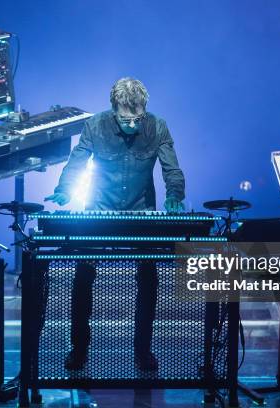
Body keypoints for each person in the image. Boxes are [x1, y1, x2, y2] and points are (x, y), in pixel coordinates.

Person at [44, 77, 185, 371]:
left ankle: (143, 351)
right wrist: (65, 189)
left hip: (140, 212)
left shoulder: (157, 125)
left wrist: (175, 196)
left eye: (137, 119)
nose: (133, 125)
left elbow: (172, 168)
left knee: (149, 278)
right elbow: (77, 161)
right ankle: (79, 349)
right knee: (83, 276)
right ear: (113, 109)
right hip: (99, 210)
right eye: (126, 119)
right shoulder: (95, 125)